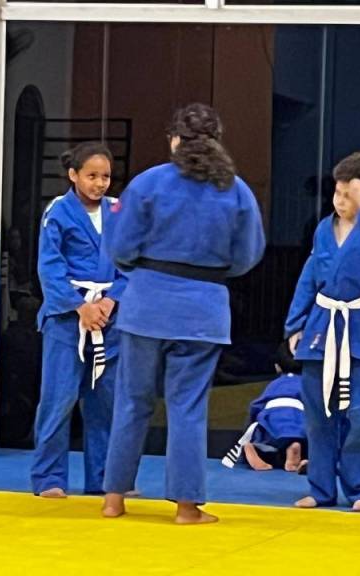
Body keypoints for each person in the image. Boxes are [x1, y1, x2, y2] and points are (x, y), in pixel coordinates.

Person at [102, 103, 265, 524]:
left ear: (175, 139)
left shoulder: (148, 183)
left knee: (131, 401)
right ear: (217, 141)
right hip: (203, 309)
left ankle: (114, 498)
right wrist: (210, 274)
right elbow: (248, 255)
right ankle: (187, 507)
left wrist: (144, 270)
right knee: (187, 407)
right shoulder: (235, 190)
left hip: (146, 303)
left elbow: (119, 247)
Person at [284, 151, 360, 512]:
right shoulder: (324, 229)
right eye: (337, 193)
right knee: (318, 413)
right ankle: (321, 488)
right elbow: (309, 276)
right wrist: (295, 324)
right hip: (322, 325)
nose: (339, 201)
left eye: (348, 194)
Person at [31, 142, 126, 497]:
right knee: (59, 399)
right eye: (92, 176)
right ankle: (49, 478)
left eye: (106, 176)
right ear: (73, 175)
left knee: (106, 403)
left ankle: (104, 479)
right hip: (66, 321)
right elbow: (50, 266)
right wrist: (78, 306)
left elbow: (131, 262)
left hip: (109, 318)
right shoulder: (57, 211)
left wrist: (112, 300)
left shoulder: (118, 211)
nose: (100, 183)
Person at [223, 343, 307, 473]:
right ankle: (299, 454)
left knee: (265, 440)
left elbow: (256, 406)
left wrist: (250, 428)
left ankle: (256, 449)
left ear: (277, 367)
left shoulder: (274, 385)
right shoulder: (306, 384)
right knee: (311, 443)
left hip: (270, 417)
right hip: (299, 419)